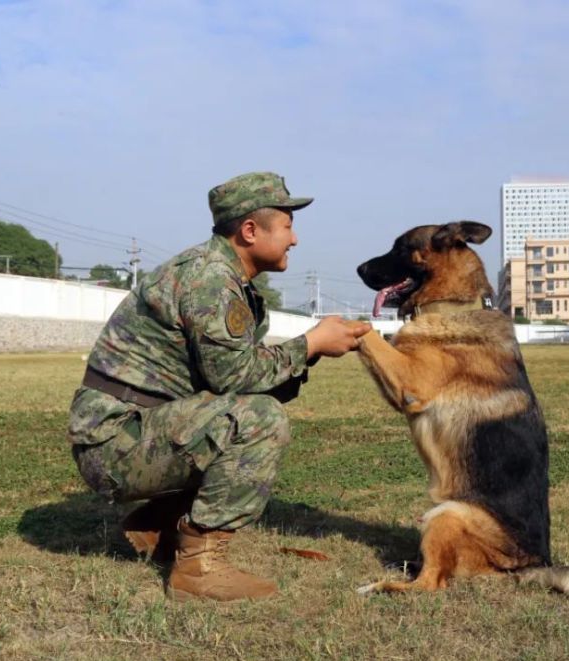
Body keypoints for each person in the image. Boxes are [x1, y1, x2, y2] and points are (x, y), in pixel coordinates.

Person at [67, 171, 370, 601]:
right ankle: (198, 569)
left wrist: (313, 349)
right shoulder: (210, 280)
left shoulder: (227, 279)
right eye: (287, 226)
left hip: (135, 428)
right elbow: (236, 378)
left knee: (246, 409)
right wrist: (310, 343)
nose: (295, 239)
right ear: (250, 231)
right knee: (259, 421)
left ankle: (160, 526)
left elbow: (238, 377)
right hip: (115, 442)